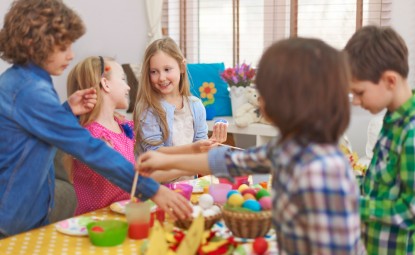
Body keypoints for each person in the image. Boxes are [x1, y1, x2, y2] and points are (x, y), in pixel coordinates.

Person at [138, 37, 364, 254]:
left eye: (264, 91)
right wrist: (166, 158)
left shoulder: (319, 162)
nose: (258, 99)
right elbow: (226, 161)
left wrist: (168, 159)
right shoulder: (291, 147)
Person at [0, 0, 191, 238]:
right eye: (63, 47)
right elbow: (89, 148)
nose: (71, 54)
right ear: (32, 44)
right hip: (13, 217)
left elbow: (31, 130)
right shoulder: (30, 90)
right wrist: (152, 190)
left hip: (27, 211)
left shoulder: (25, 81)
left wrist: (65, 111)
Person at [66, 56, 216, 215]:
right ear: (105, 84)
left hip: (127, 215)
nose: (128, 86)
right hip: (97, 221)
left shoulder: (123, 127)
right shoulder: (93, 136)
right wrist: (194, 163)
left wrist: (194, 154)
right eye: (123, 79)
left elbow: (147, 169)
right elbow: (130, 177)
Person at [345, 25, 415, 254]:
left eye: (360, 92)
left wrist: (352, 205)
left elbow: (409, 210)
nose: (355, 101)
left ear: (390, 81)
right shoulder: (391, 119)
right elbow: (381, 187)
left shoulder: (411, 132)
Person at [133, 37, 227, 183]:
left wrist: (212, 144)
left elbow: (201, 155)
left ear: (182, 67)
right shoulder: (148, 109)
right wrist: (194, 149)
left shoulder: (196, 106)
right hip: (157, 190)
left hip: (189, 187)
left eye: (167, 69)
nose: (161, 77)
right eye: (154, 71)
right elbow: (155, 153)